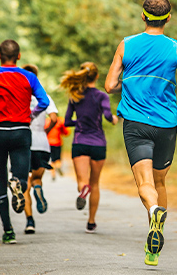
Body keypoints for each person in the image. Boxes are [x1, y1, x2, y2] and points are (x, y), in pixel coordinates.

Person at [105, 0, 177, 266]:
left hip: (136, 124)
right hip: (166, 125)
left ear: (143, 16)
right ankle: (154, 249)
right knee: (160, 182)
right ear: (168, 18)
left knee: (145, 184)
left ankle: (153, 211)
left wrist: (127, 78)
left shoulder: (127, 44)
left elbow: (110, 84)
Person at [0, 39, 50, 244]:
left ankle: (8, 230)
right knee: (21, 176)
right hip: (22, 132)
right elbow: (44, 102)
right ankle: (18, 184)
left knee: (0, 178)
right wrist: (32, 116)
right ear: (19, 56)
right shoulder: (29, 76)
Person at [60, 62, 118, 234]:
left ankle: (83, 190)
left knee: (82, 182)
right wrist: (114, 119)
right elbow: (107, 115)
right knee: (96, 183)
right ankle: (91, 222)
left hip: (80, 142)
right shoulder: (102, 96)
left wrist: (80, 122)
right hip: (99, 143)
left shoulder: (75, 95)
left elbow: (67, 121)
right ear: (97, 76)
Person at [22, 64, 58, 235]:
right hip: (42, 143)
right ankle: (38, 187)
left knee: (24, 184)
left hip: (23, 142)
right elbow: (54, 118)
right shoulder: (45, 96)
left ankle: (30, 221)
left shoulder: (19, 96)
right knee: (36, 178)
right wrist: (45, 131)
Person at [45, 115, 69, 180]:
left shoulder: (46, 121)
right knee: (58, 159)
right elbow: (65, 132)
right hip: (57, 143)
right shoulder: (60, 121)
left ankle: (53, 174)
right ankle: (58, 166)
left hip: (48, 143)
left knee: (52, 160)